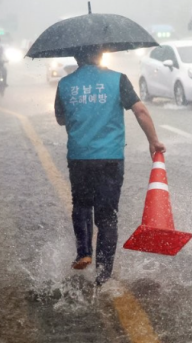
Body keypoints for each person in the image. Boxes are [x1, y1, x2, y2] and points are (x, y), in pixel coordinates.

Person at [54, 48, 165, 286]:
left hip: (79, 156)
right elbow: (140, 111)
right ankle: (103, 275)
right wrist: (153, 141)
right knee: (107, 216)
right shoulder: (118, 79)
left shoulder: (65, 84)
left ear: (77, 57)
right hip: (110, 158)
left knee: (82, 204)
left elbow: (60, 118)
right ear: (102, 55)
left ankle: (83, 252)